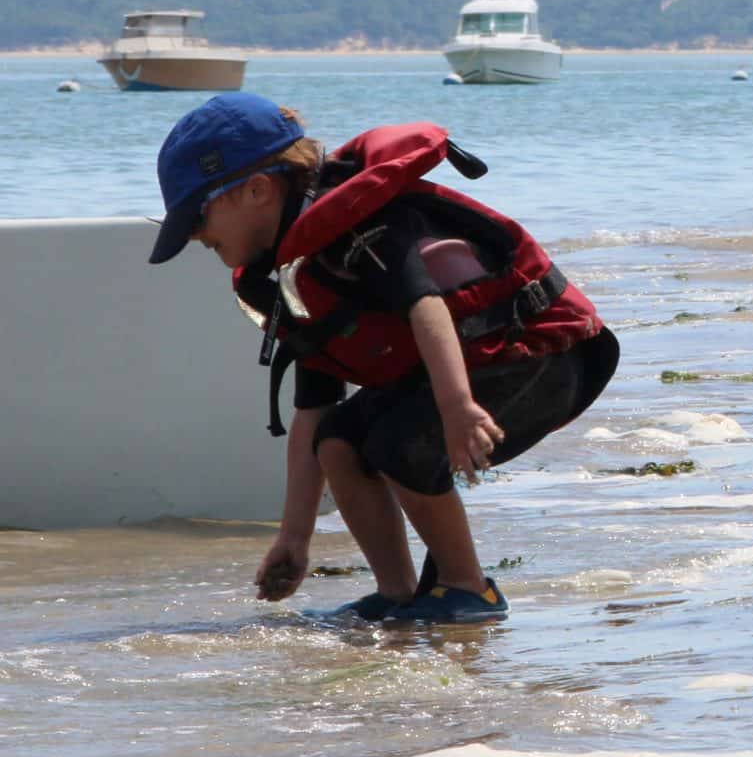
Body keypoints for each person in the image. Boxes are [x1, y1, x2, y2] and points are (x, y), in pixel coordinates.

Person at [149, 93, 619, 622]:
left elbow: (427, 305)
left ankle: (470, 590)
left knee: (401, 443)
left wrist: (457, 406)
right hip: (467, 370)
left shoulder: (364, 229)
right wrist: (294, 537)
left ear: (256, 191)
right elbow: (313, 412)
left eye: (197, 219)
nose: (193, 237)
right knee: (340, 439)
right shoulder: (292, 273)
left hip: (544, 355)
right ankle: (398, 592)